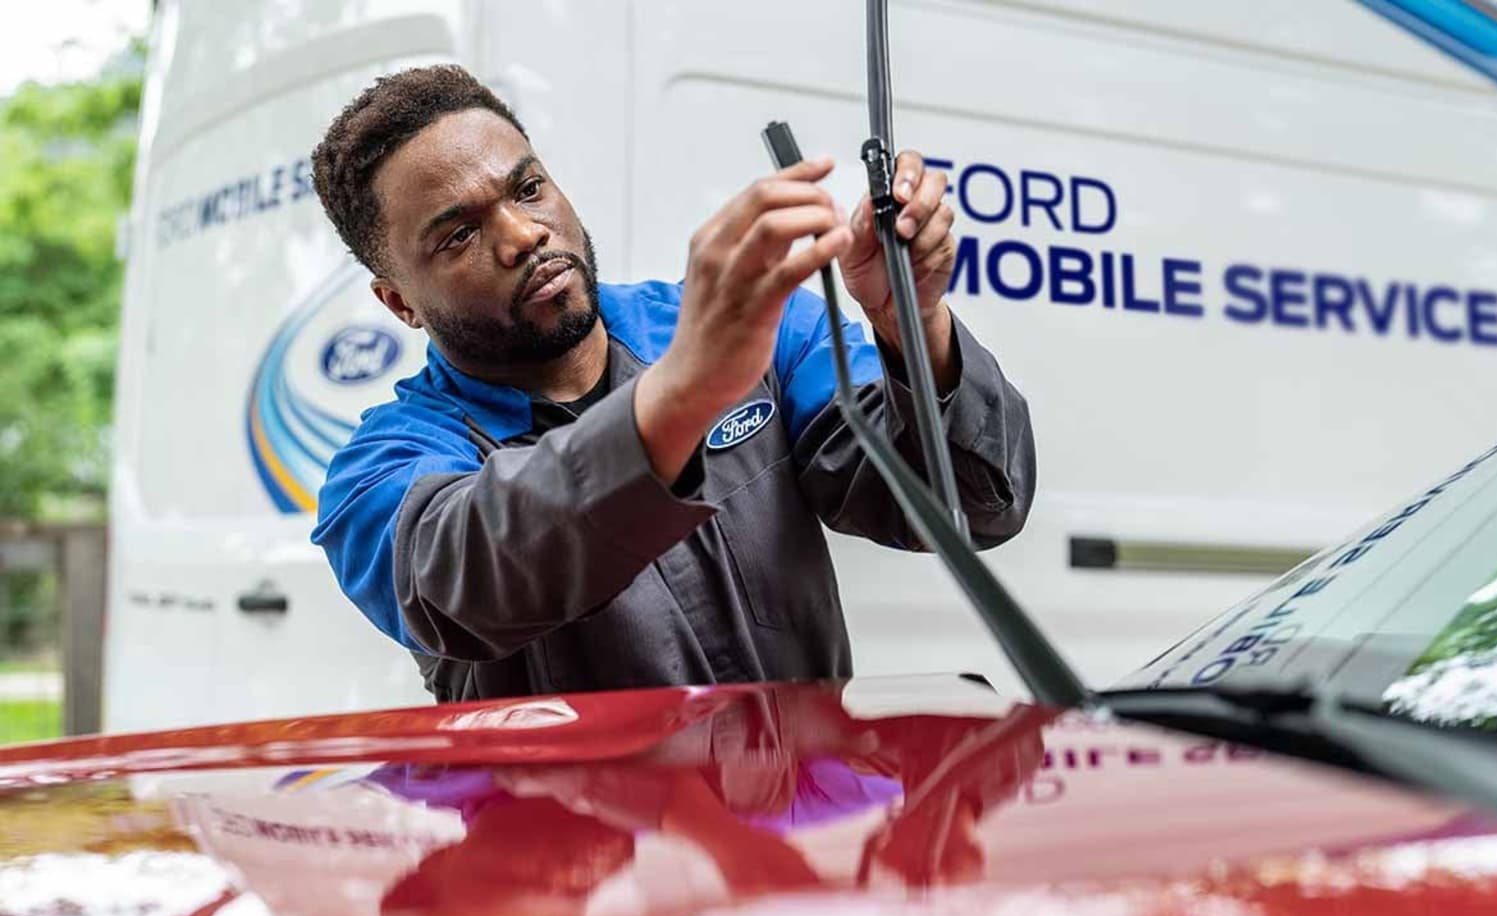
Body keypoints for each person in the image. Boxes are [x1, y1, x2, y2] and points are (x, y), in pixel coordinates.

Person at [309, 64, 1037, 702]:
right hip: (575, 858)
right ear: (398, 302)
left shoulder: (759, 330)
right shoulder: (380, 473)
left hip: (800, 843)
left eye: (528, 188)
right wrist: (685, 392)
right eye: (458, 234)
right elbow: (465, 575)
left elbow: (972, 504)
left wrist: (912, 321)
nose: (523, 233)